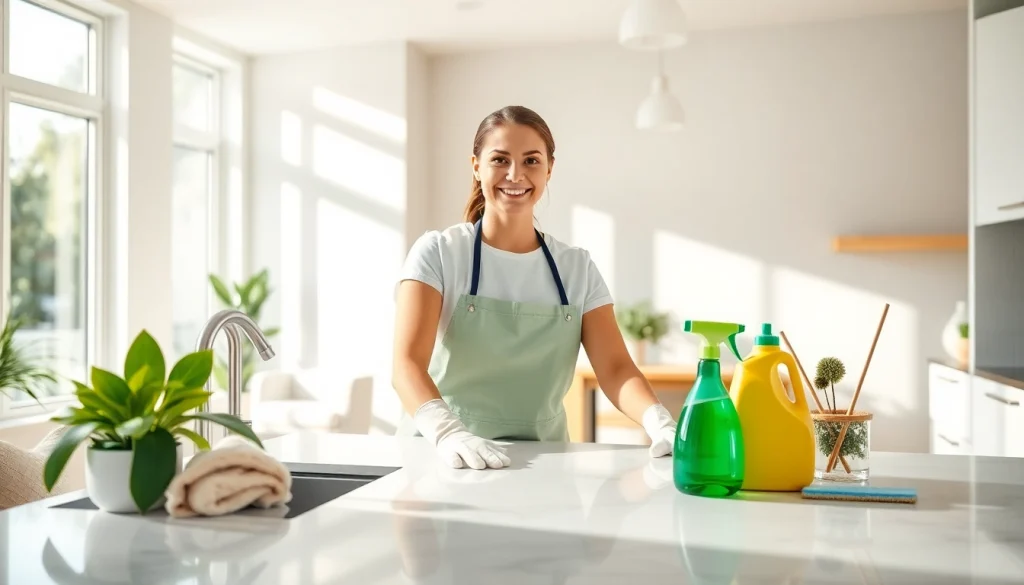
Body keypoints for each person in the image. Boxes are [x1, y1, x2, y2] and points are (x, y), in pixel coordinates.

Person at [391, 105, 678, 470]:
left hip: (542, 463)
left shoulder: (576, 268)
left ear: (549, 169)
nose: (515, 174)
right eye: (499, 159)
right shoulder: (439, 253)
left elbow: (616, 368)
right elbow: (406, 366)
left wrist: (658, 421)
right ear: (476, 166)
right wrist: (448, 432)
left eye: (531, 161)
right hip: (441, 458)